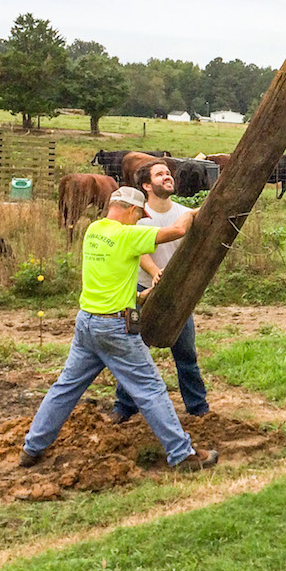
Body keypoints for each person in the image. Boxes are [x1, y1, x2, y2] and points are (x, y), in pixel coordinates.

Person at [19, 186, 218, 471]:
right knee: (150, 390)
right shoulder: (127, 235)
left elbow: (110, 275)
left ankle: (32, 448)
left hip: (87, 322)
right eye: (139, 217)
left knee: (65, 388)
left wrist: (138, 296)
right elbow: (176, 231)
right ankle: (181, 454)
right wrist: (194, 212)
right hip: (114, 326)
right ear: (131, 210)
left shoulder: (93, 231)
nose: (139, 222)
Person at [108, 160, 209, 423]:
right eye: (159, 174)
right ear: (146, 185)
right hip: (143, 290)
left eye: (168, 173)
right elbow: (137, 252)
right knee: (135, 352)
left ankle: (198, 407)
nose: (167, 176)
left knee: (186, 352)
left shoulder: (186, 212)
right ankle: (124, 407)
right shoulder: (137, 218)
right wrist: (155, 274)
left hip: (177, 293)